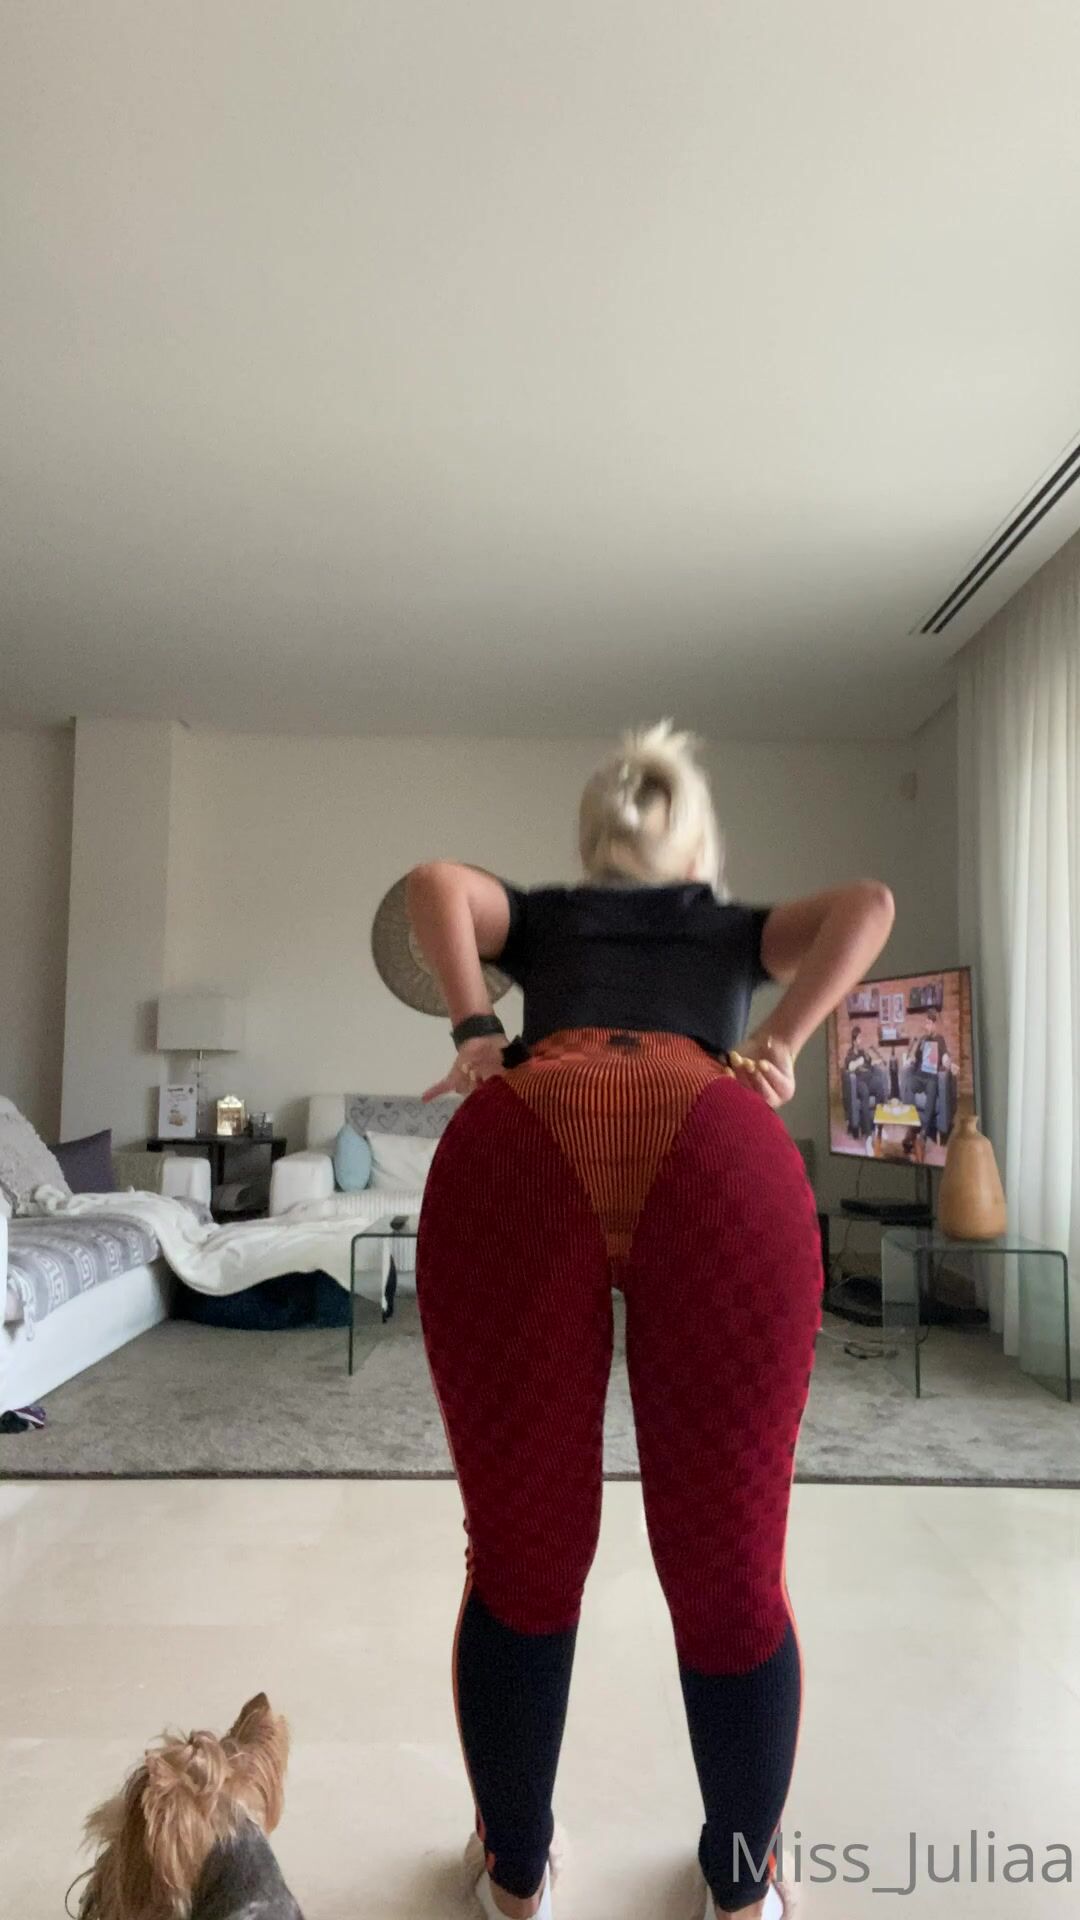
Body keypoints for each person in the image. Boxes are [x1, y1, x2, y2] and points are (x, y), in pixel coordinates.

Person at [405, 721, 895, 1920]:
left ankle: (516, 1874)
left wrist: (476, 1030)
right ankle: (741, 1885)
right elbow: (869, 907)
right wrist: (777, 1042)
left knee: (520, 1559)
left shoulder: (546, 916)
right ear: (695, 846)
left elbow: (433, 884)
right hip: (714, 1139)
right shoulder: (728, 925)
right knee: (733, 1569)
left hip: (526, 1131)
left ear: (594, 844)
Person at [904, 1010, 952, 1141]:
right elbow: (916, 1058)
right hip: (919, 1076)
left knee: (932, 1087)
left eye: (929, 1023)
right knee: (909, 1084)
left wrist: (948, 1063)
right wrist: (913, 1057)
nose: (927, 1026)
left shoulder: (940, 1040)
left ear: (935, 1025)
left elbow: (945, 1057)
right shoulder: (923, 1039)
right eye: (926, 1023)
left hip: (931, 1077)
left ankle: (924, 1130)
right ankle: (912, 1125)